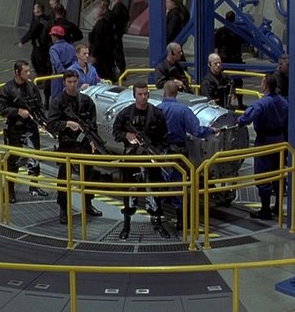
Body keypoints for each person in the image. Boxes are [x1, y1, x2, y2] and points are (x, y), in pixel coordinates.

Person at [157, 80, 218, 231]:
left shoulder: (157, 109)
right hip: (178, 153)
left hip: (160, 152)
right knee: (179, 184)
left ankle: (157, 217)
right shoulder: (184, 110)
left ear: (164, 92)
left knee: (160, 182)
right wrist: (210, 130)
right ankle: (181, 220)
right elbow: (197, 131)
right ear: (177, 93)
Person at [112, 81, 168, 239]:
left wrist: (156, 152)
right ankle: (126, 225)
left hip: (151, 158)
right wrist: (127, 136)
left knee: (154, 192)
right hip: (131, 159)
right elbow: (116, 132)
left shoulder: (156, 113)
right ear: (134, 95)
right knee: (129, 192)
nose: (143, 97)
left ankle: (157, 222)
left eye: (146, 94)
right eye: (140, 94)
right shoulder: (126, 114)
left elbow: (164, 136)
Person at [47, 70, 103, 224]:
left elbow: (92, 124)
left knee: (88, 175)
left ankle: (88, 203)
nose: (72, 85)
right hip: (67, 144)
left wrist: (93, 140)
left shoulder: (86, 101)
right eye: (69, 82)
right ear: (64, 82)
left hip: (84, 143)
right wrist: (67, 124)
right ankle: (63, 208)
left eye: (74, 82)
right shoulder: (58, 102)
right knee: (64, 178)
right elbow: (51, 124)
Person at [236, 75, 288, 220]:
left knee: (263, 175)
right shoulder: (284, 102)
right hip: (280, 140)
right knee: (279, 173)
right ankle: (277, 207)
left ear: (265, 86)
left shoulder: (262, 103)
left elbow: (246, 118)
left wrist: (239, 120)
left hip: (265, 142)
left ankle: (265, 210)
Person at [0, 60, 50, 202]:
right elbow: (1, 109)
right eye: (25, 71)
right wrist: (17, 111)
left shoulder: (31, 87)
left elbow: (39, 106)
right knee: (13, 160)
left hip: (31, 127)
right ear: (17, 72)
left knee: (35, 157)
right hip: (15, 128)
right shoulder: (7, 89)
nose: (28, 73)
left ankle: (34, 186)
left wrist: (43, 121)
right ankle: (10, 191)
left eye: (28, 71)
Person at [17, 3, 53, 107]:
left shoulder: (37, 22)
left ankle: (42, 81)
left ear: (39, 10)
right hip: (46, 48)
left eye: (35, 9)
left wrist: (22, 41)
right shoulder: (48, 20)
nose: (33, 11)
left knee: (38, 65)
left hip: (39, 48)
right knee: (42, 65)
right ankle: (43, 81)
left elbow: (31, 33)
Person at [215, 10, 245, 109]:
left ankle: (225, 103)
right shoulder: (238, 31)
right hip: (235, 59)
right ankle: (240, 104)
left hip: (224, 59)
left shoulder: (220, 31)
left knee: (224, 81)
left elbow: (216, 45)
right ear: (234, 19)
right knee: (238, 82)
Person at [88, 2, 115, 81]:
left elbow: (97, 41)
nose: (92, 16)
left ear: (97, 15)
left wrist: (93, 54)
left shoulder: (99, 25)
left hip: (100, 54)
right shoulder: (107, 23)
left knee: (100, 72)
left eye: (93, 14)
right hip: (108, 52)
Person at [48, 25, 76, 98]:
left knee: (56, 98)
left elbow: (57, 63)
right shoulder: (71, 47)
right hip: (71, 75)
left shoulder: (53, 49)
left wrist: (63, 74)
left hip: (58, 76)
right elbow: (75, 61)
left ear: (55, 36)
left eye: (52, 36)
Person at [110, 0, 130, 74]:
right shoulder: (122, 6)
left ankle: (121, 70)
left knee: (117, 52)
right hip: (119, 33)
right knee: (118, 51)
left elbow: (114, 19)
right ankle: (121, 69)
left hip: (116, 33)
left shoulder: (117, 8)